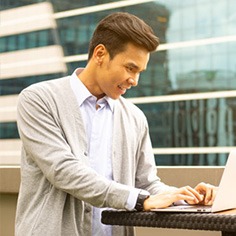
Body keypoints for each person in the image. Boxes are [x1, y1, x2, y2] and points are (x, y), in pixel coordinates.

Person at [15, 12, 218, 236]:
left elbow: (147, 185)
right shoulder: (38, 99)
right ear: (100, 54)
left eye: (139, 72)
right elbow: (62, 170)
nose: (135, 81)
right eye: (130, 68)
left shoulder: (135, 117)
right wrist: (140, 199)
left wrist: (186, 197)